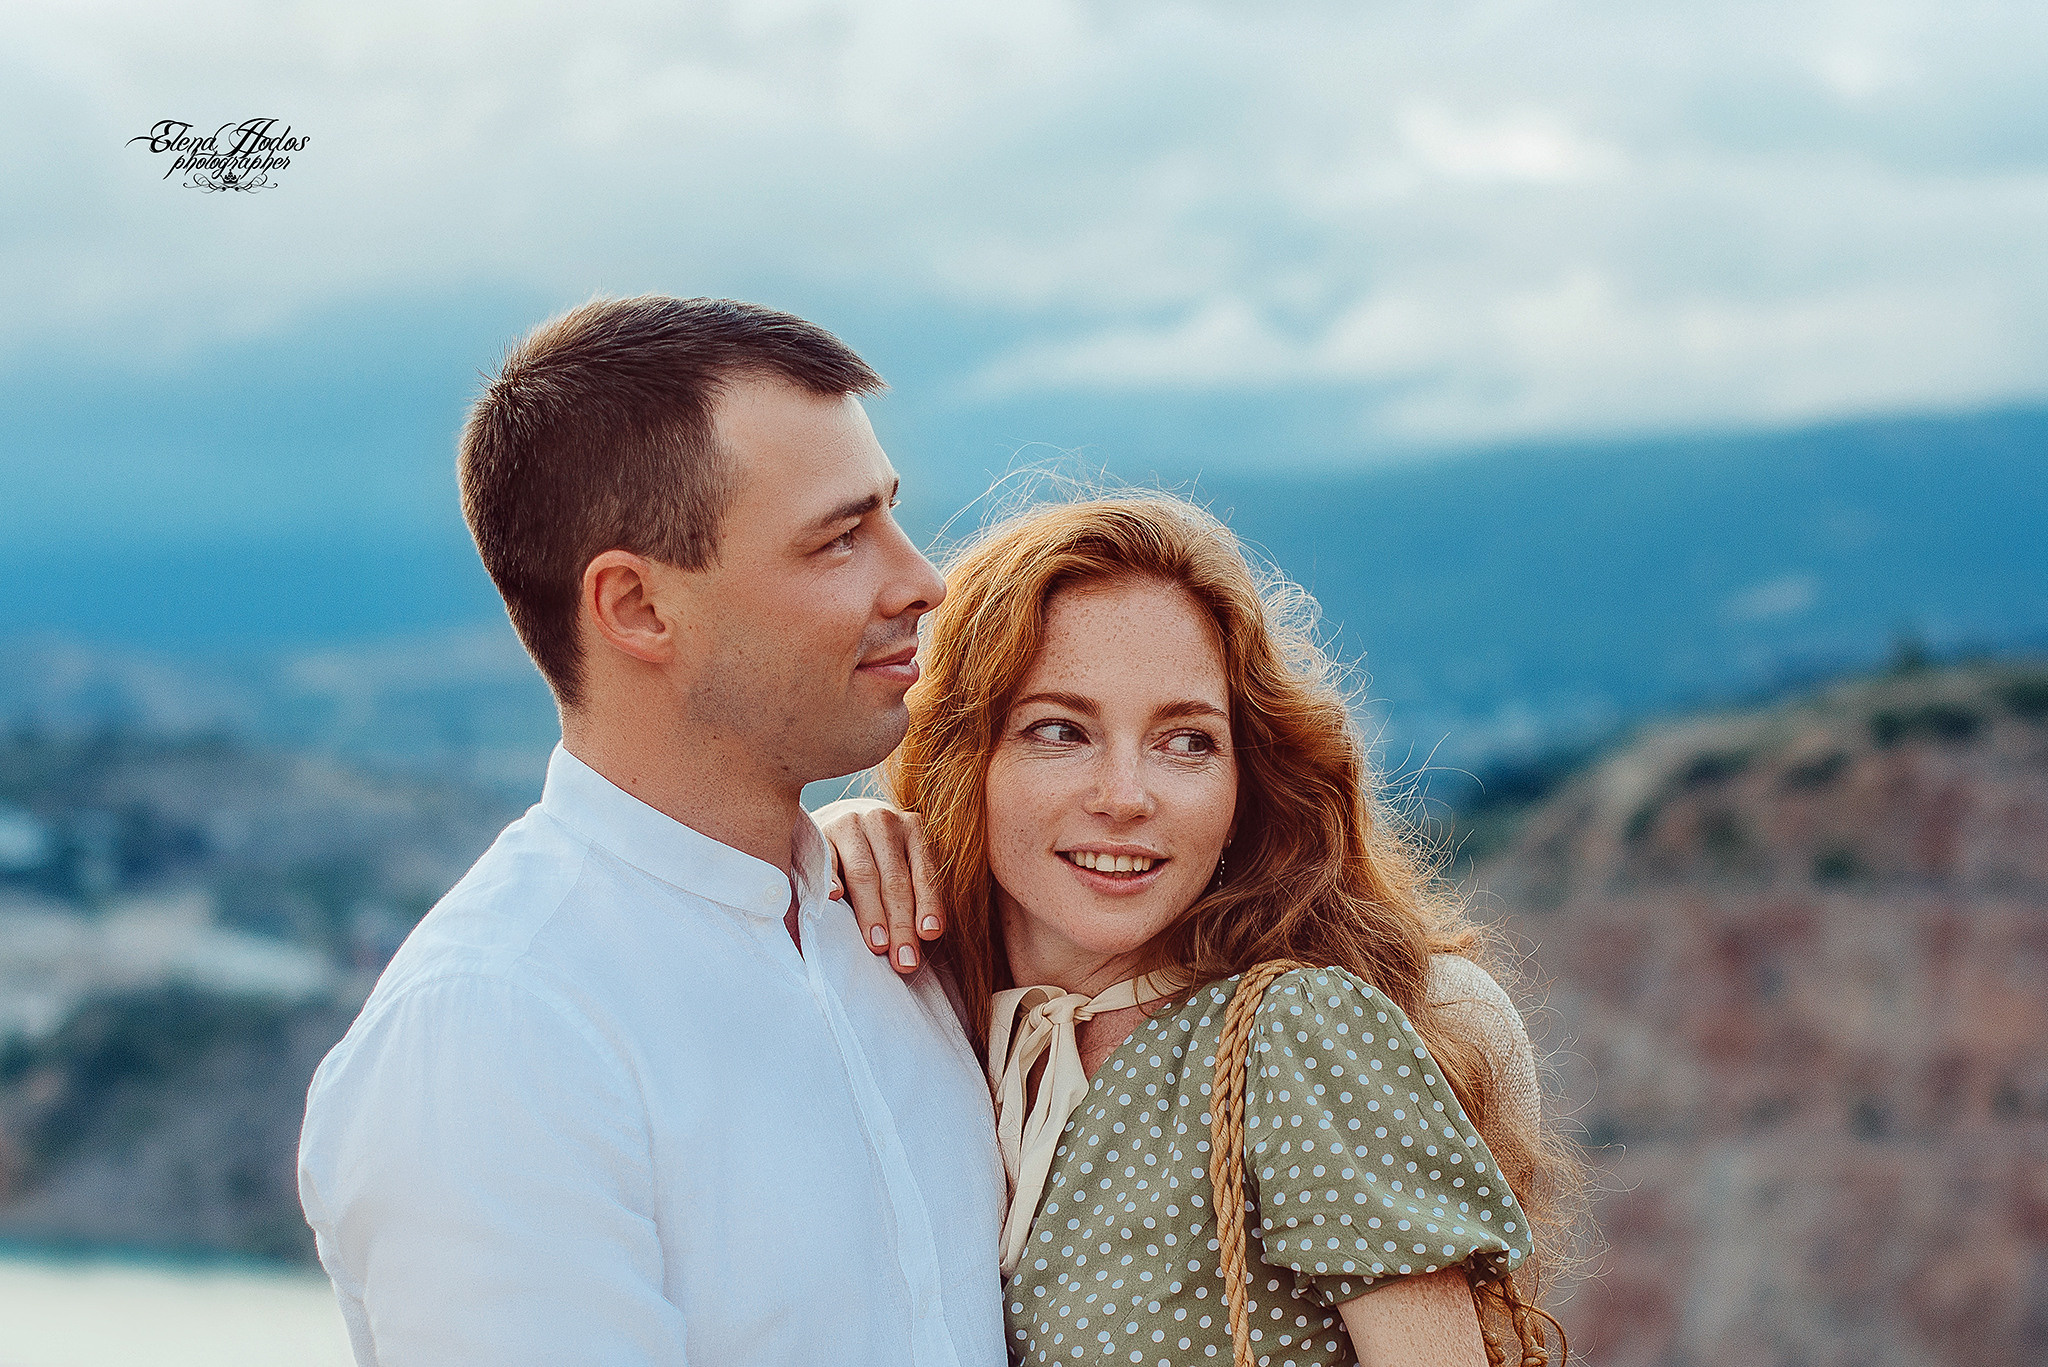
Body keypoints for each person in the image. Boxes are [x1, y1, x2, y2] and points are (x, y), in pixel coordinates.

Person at [296, 297, 1007, 1367]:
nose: (921, 579)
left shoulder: (893, 926)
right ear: (634, 607)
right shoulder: (499, 1032)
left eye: (890, 517)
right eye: (839, 538)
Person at [817, 495, 1583, 1366]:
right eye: (1060, 730)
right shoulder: (926, 1015)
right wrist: (833, 843)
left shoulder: (1294, 1035)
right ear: (967, 753)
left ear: (1242, 783)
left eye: (1186, 741)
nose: (1127, 794)